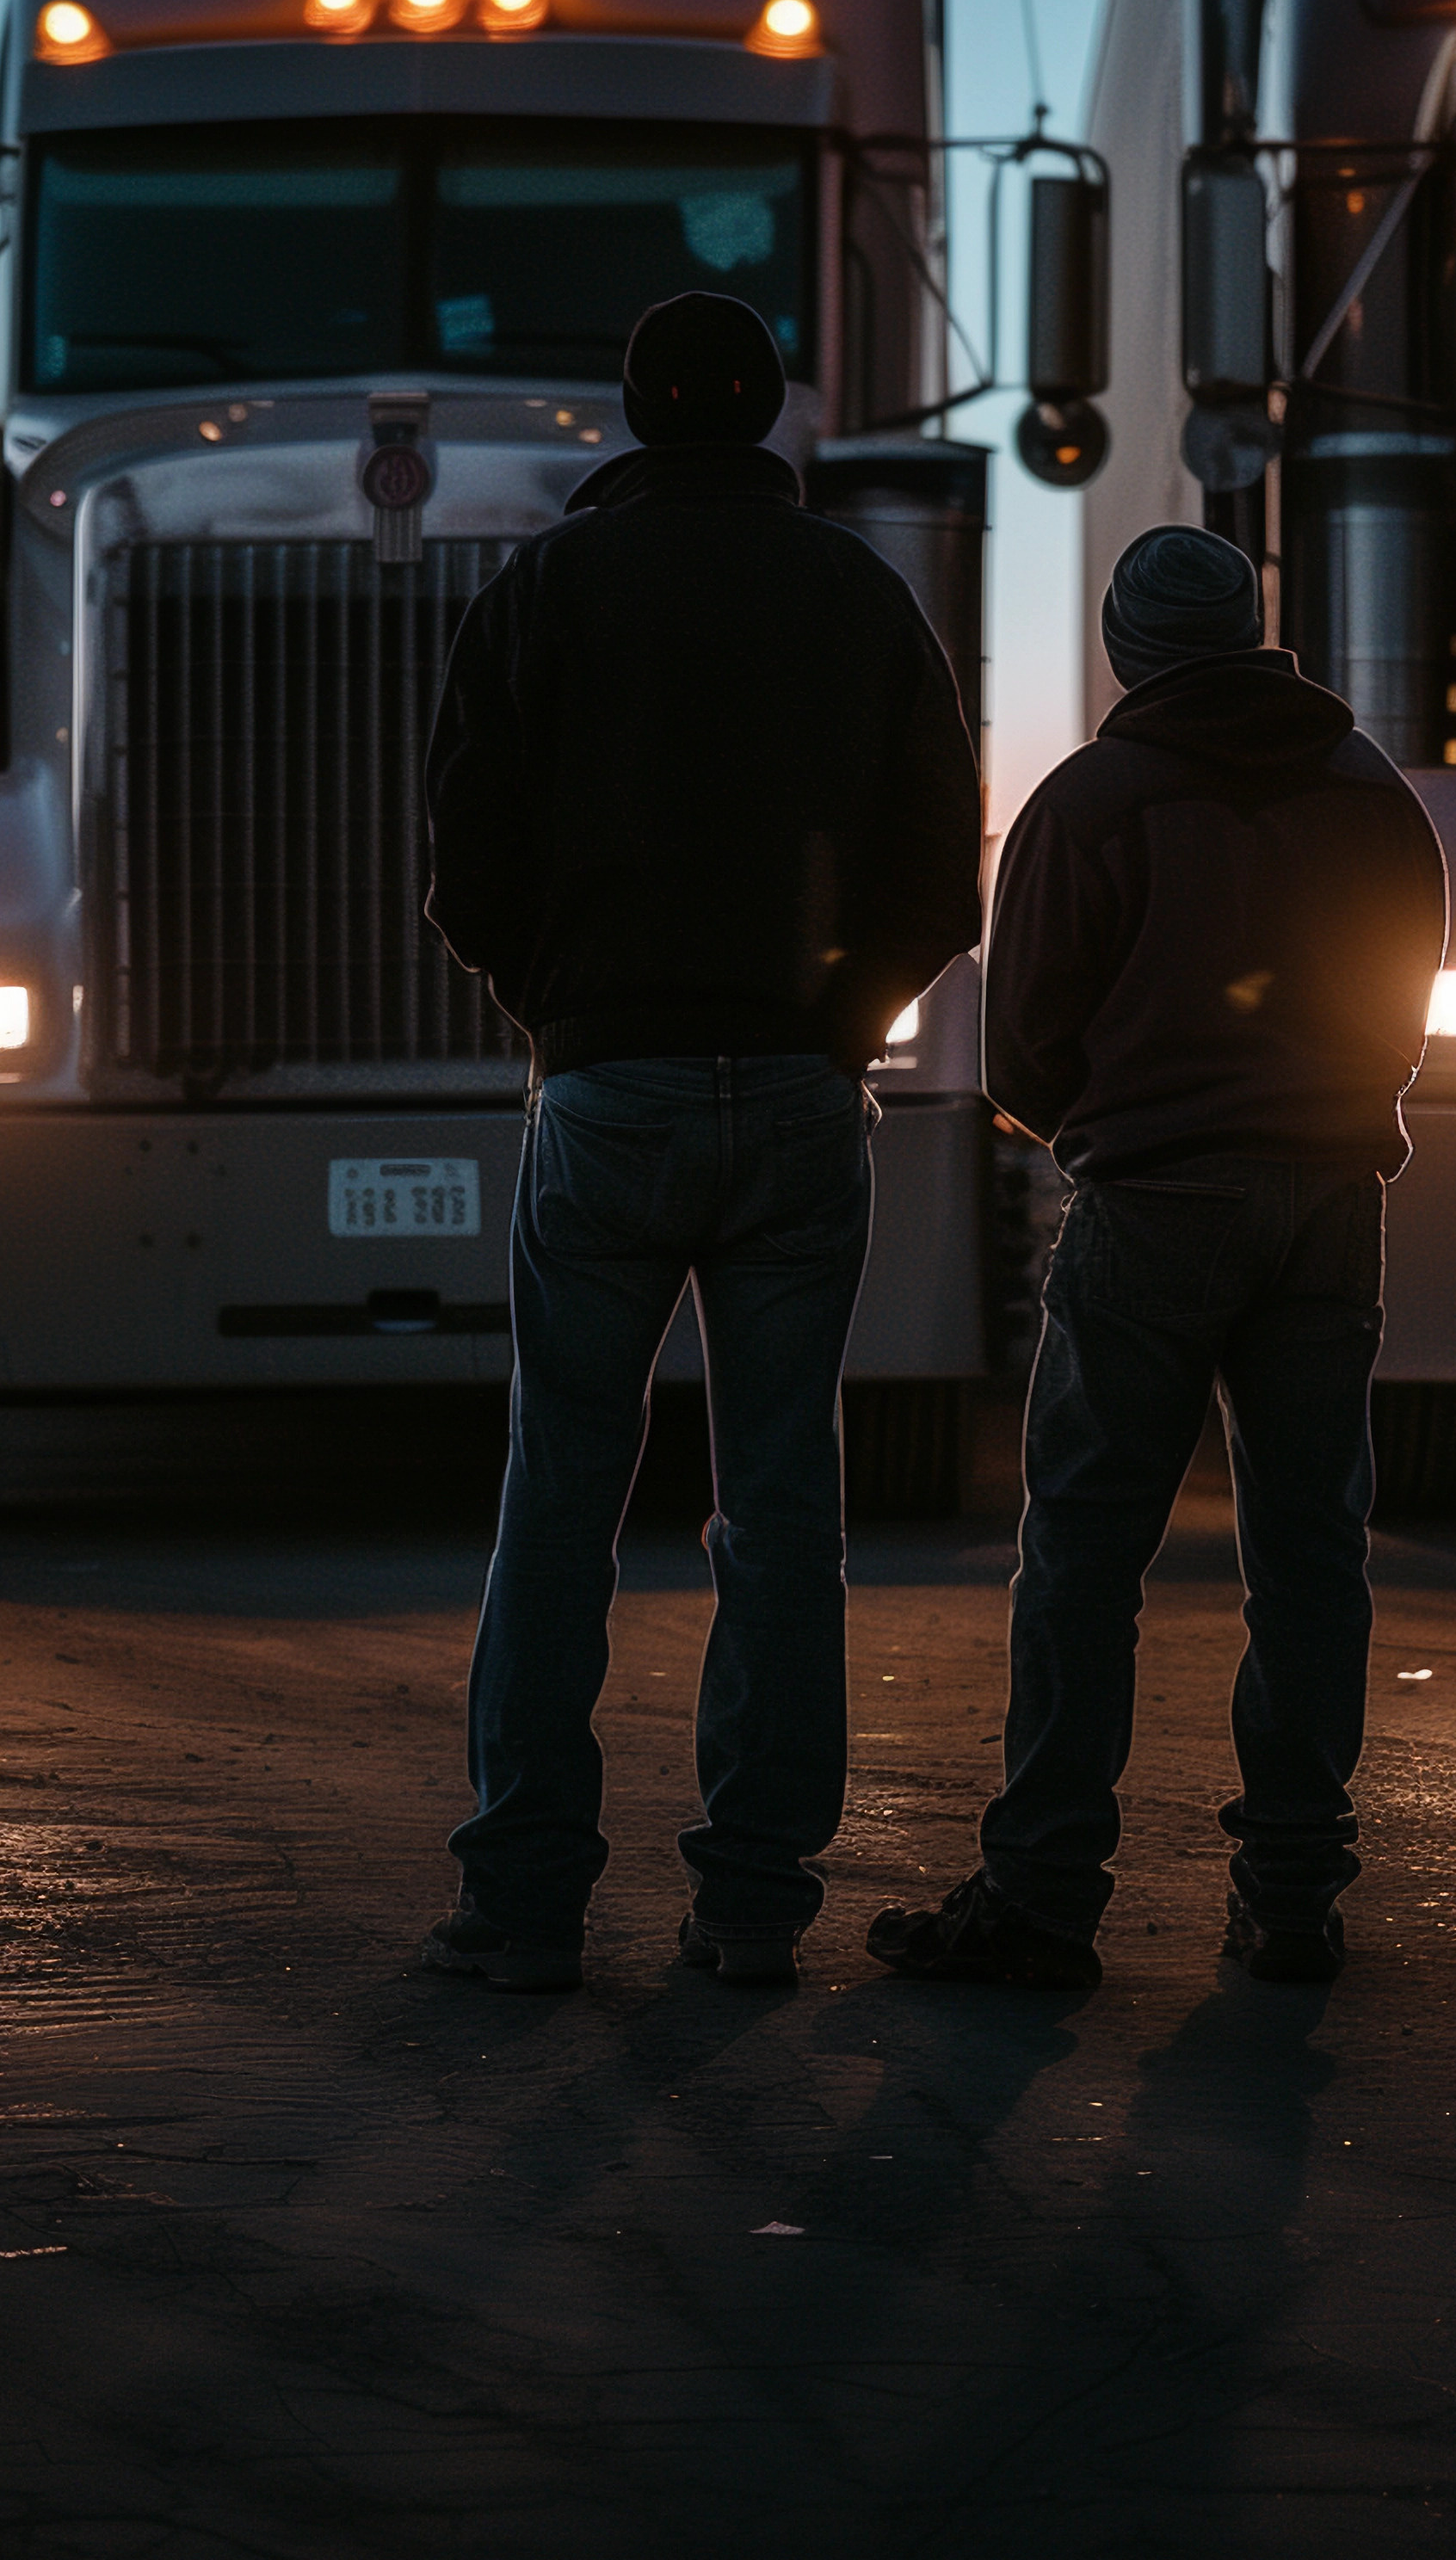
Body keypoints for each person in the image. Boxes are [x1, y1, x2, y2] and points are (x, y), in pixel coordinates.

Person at [422, 292, 983, 1996]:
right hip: (801, 1103)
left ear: (633, 409)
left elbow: (464, 856)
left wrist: (565, 1009)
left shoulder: (540, 592)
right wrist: (833, 1015)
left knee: (558, 1498)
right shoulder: (858, 597)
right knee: (782, 1506)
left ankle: (521, 1900)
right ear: (766, 417)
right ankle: (749, 1903)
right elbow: (936, 867)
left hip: (604, 1094)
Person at [868, 524, 1447, 1991]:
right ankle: (1296, 1893)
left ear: (1129, 650)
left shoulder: (1091, 802)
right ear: (1252, 634)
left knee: (1082, 1552)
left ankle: (1047, 1895)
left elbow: (1023, 1053)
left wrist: (1114, 1128)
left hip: (1154, 1207)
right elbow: (1408, 1014)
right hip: (1330, 1201)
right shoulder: (1372, 796)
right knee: (1311, 1551)